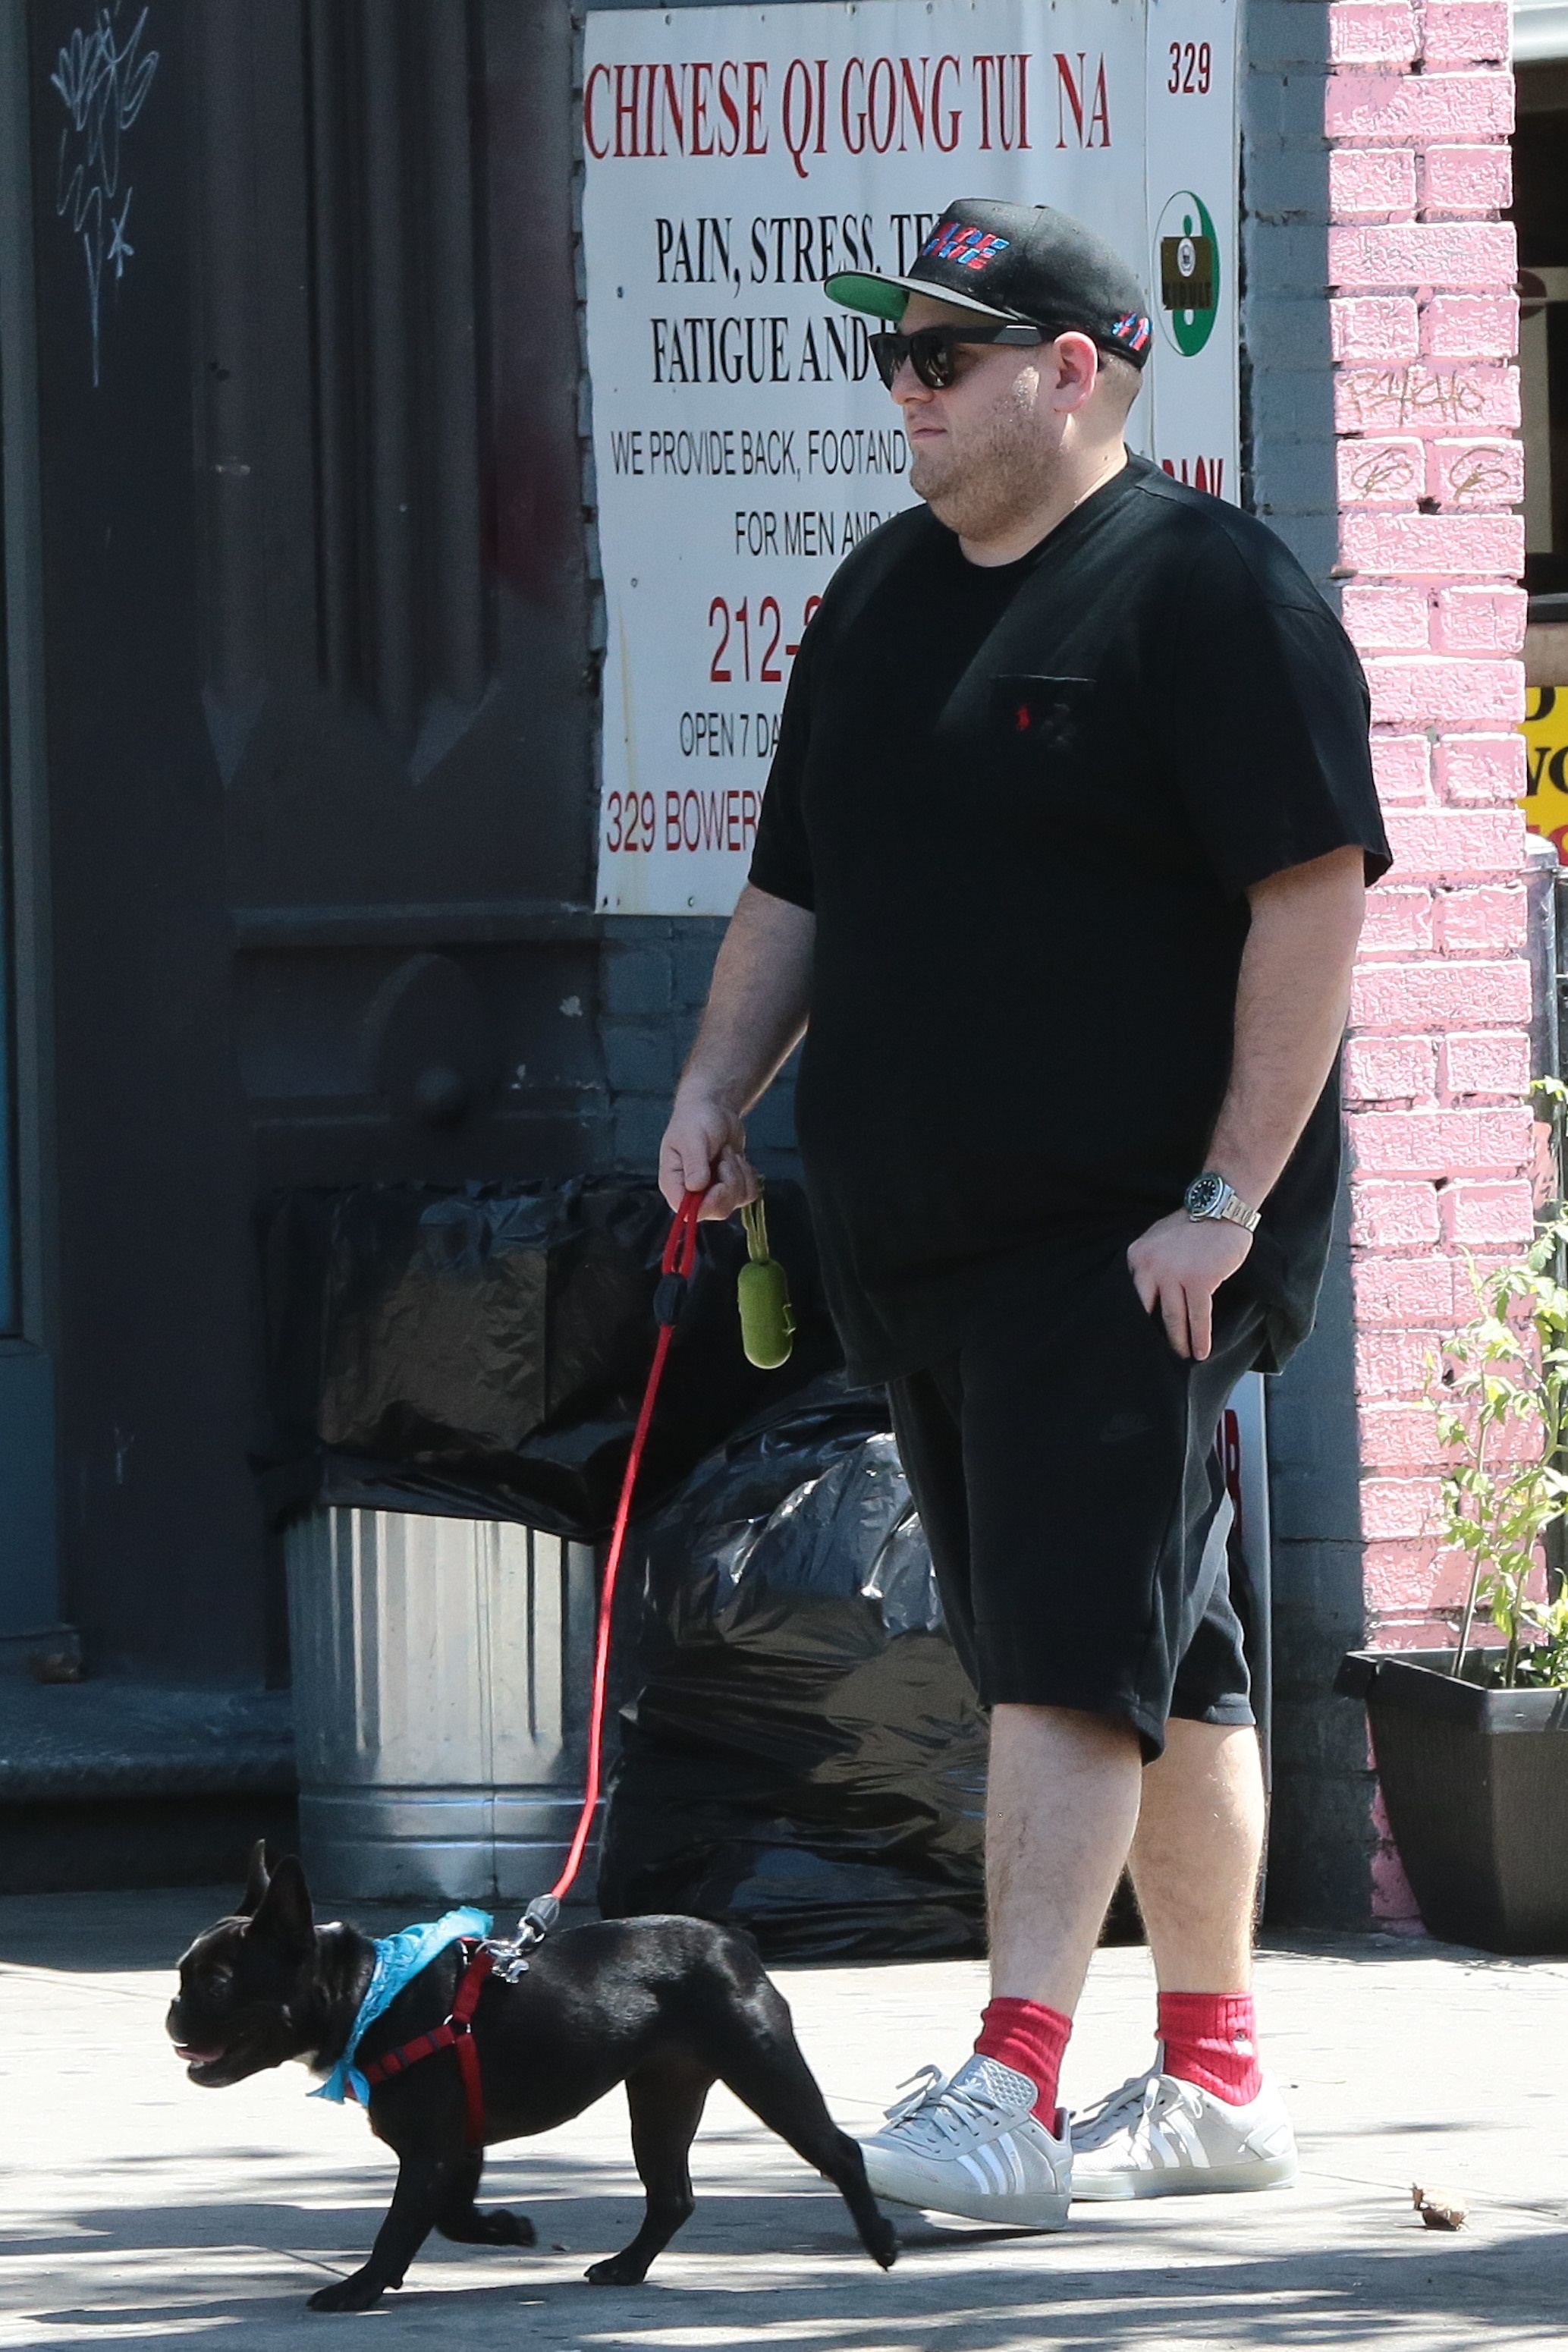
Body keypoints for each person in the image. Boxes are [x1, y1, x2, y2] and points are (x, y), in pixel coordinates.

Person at [657, 197, 1388, 2229]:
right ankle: (1218, 2073)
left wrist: (1223, 1197)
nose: (899, 391)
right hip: (927, 1245)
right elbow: (792, 880)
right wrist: (718, 1091)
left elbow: (1309, 892)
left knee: (1061, 1664)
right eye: (888, 354)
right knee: (1173, 1655)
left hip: (1127, 1239)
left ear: (1073, 370)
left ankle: (1010, 2083)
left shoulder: (1200, 590)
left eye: (937, 357)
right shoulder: (882, 593)